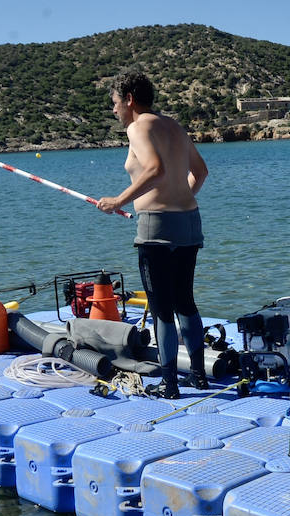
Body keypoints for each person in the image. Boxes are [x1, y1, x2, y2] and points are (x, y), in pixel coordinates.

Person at [96, 71, 209, 399]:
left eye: (115, 103)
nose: (114, 111)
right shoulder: (174, 125)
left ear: (129, 99)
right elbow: (200, 172)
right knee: (185, 301)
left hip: (157, 227)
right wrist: (180, 198)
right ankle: (199, 376)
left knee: (162, 308)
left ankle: (170, 384)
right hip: (189, 221)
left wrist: (118, 200)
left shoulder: (138, 126)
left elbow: (155, 169)